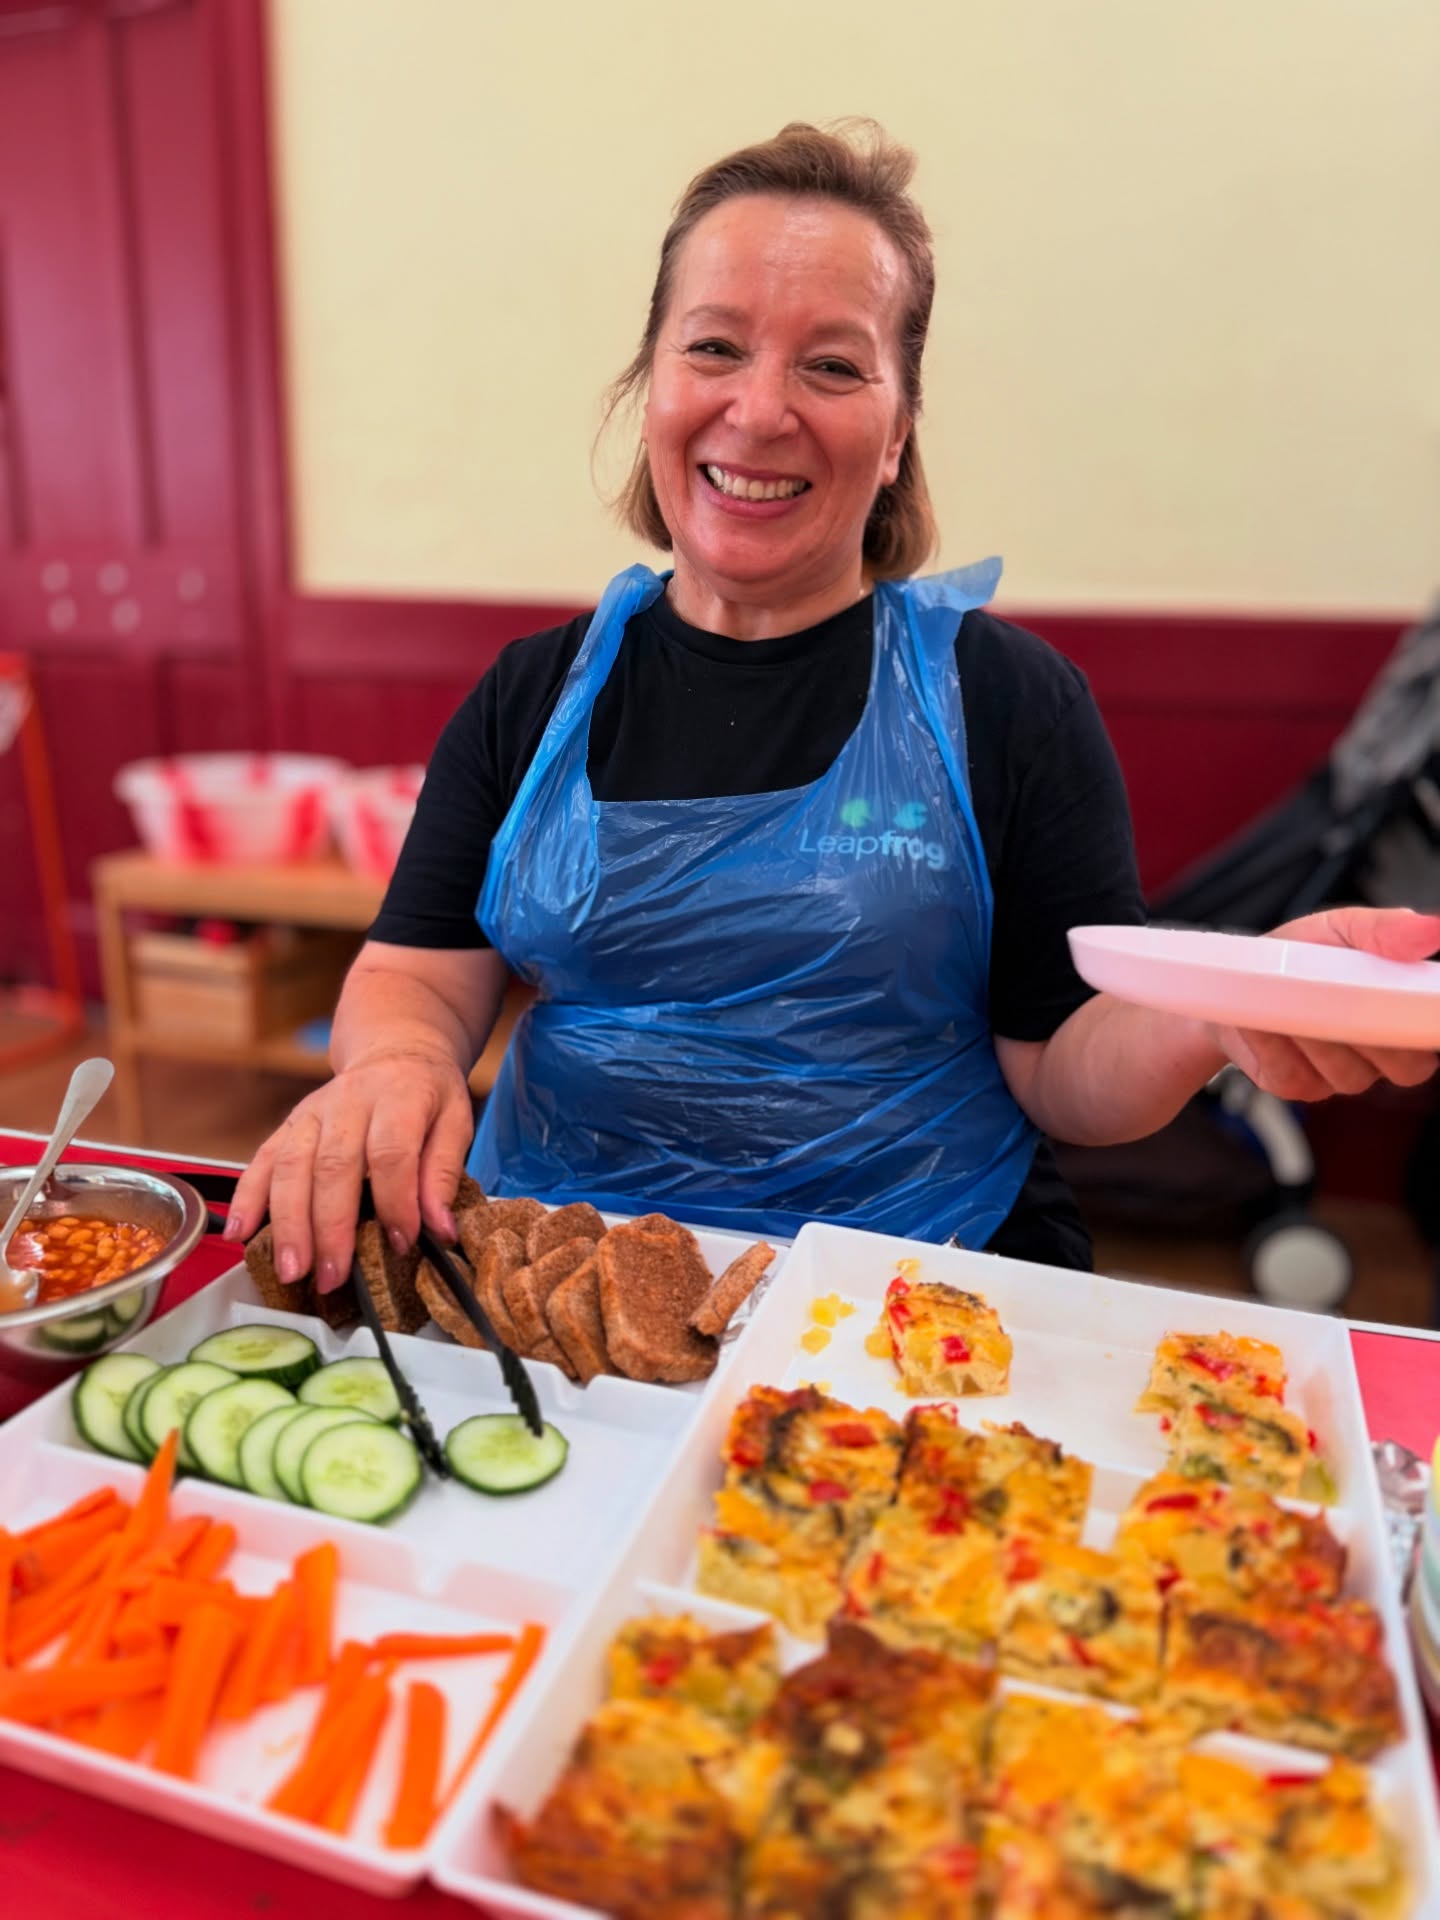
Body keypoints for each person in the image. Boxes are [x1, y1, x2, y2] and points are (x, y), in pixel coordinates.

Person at [226, 120, 1439, 1293]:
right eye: (714, 347)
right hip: (564, 1274)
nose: (760, 410)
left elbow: (1067, 1072)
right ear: (650, 385)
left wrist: (1229, 1008)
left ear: (899, 430)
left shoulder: (1004, 701)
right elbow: (420, 974)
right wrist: (395, 1065)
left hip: (915, 1292)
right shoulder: (532, 695)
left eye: (833, 365)